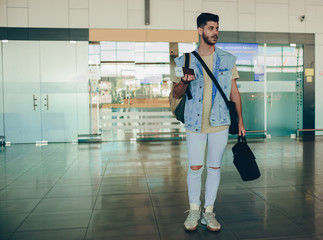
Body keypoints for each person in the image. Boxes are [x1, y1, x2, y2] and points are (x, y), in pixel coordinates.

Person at [172, 13, 246, 231]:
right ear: (200, 30)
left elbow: (234, 92)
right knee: (195, 167)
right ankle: (194, 210)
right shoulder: (185, 60)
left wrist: (240, 120)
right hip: (194, 123)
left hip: (221, 122)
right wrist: (184, 82)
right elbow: (176, 93)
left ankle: (209, 212)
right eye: (211, 28)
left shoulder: (227, 59)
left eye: (217, 28)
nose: (215, 32)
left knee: (214, 167)